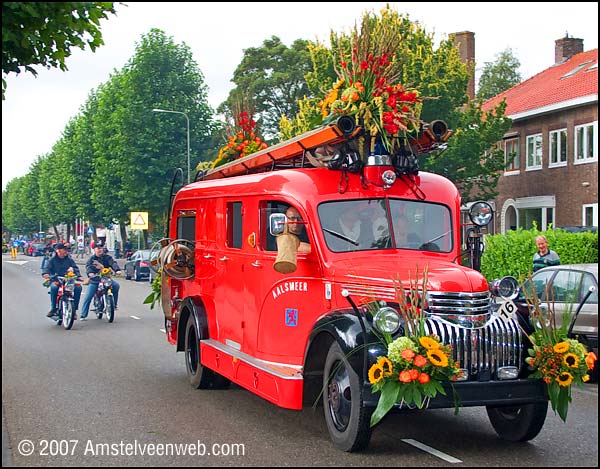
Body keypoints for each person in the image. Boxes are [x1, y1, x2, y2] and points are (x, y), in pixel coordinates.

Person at [80, 240, 122, 321]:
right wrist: (90, 273)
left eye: (101, 248)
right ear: (94, 249)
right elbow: (88, 267)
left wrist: (117, 270)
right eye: (97, 248)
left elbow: (113, 263)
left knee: (116, 286)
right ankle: (83, 314)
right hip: (95, 280)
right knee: (88, 296)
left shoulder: (107, 257)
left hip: (106, 279)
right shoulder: (92, 259)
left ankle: (114, 305)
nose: (100, 250)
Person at [42, 243, 83, 317]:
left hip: (68, 280)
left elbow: (75, 268)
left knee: (78, 288)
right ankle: (53, 308)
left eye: (66, 250)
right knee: (54, 287)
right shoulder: (52, 260)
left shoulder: (69, 260)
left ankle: (74, 309)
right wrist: (46, 274)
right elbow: (47, 268)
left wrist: (78, 276)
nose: (65, 251)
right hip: (56, 279)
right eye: (64, 250)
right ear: (58, 251)